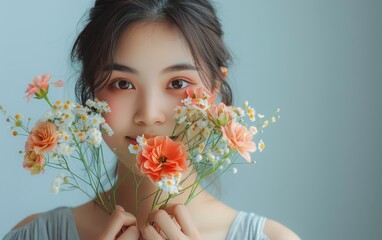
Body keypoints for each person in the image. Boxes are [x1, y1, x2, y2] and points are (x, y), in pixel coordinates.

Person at [4, 0, 300, 239]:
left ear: (215, 89)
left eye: (178, 83)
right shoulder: (35, 234)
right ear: (90, 93)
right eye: (122, 84)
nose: (149, 114)